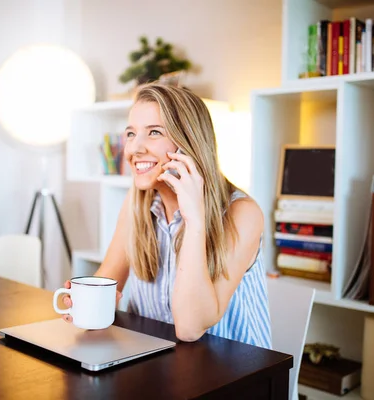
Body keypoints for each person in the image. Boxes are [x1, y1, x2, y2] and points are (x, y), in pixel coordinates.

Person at [62, 83, 272, 349]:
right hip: (155, 362)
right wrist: (87, 300)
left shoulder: (242, 214)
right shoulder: (138, 204)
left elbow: (189, 328)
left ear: (189, 144)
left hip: (233, 375)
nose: (134, 149)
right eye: (130, 133)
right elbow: (108, 281)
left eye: (154, 132)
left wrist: (194, 220)